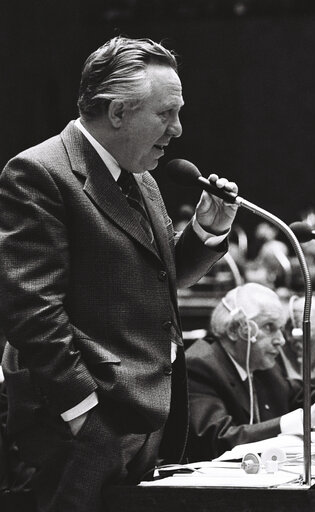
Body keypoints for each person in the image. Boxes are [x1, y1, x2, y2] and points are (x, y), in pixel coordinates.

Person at [0, 37, 240, 512]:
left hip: (146, 415)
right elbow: (31, 309)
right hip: (83, 425)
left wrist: (205, 232)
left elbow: (155, 278)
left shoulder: (142, 177)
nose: (177, 129)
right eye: (165, 114)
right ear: (116, 113)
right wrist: (83, 414)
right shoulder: (39, 172)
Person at [185, 284, 315, 462]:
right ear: (235, 330)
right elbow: (220, 440)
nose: (281, 340)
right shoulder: (199, 365)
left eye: (280, 328)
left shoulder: (262, 366)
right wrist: (304, 420)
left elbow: (308, 395)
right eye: (269, 327)